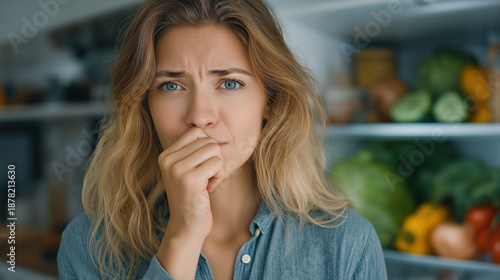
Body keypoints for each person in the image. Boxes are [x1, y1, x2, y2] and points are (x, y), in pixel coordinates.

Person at [57, 0, 388, 279]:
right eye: (171, 85)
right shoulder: (89, 246)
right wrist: (181, 237)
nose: (200, 116)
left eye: (230, 83)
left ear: (271, 101)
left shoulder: (348, 243)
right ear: (145, 105)